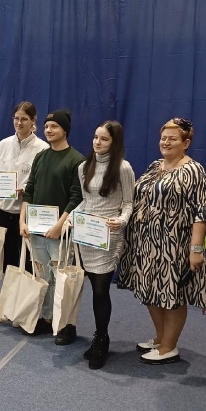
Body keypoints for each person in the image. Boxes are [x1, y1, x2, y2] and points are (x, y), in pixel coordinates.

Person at [118, 117, 206, 365]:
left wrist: (196, 249)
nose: (166, 142)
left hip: (174, 245)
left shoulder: (193, 170)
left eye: (172, 139)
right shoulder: (155, 166)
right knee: (151, 291)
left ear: (186, 143)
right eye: (163, 138)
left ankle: (169, 346)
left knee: (172, 295)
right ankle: (160, 338)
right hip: (145, 243)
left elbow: (201, 212)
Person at [68, 121, 135, 369]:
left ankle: (101, 339)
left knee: (100, 290)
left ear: (114, 142)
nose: (97, 142)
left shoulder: (123, 168)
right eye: (96, 137)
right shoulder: (84, 167)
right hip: (87, 234)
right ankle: (99, 336)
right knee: (92, 288)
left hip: (108, 234)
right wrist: (71, 217)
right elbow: (86, 201)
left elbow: (128, 202)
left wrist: (121, 221)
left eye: (104, 139)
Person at [20, 109, 85, 336]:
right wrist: (22, 221)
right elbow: (29, 191)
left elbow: (76, 198)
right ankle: (46, 317)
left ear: (65, 130)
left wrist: (59, 225)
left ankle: (63, 323)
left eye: (54, 126)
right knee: (42, 277)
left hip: (60, 232)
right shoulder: (41, 157)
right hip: (36, 231)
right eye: (47, 126)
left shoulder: (77, 160)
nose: (48, 130)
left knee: (61, 278)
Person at [0, 101, 48, 274]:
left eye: (24, 119)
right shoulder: (3, 144)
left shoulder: (43, 149)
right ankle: (10, 291)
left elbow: (42, 181)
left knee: (28, 260)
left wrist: (24, 189)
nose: (19, 123)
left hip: (26, 213)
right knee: (7, 260)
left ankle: (28, 292)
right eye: (16, 118)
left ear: (33, 120)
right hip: (3, 210)